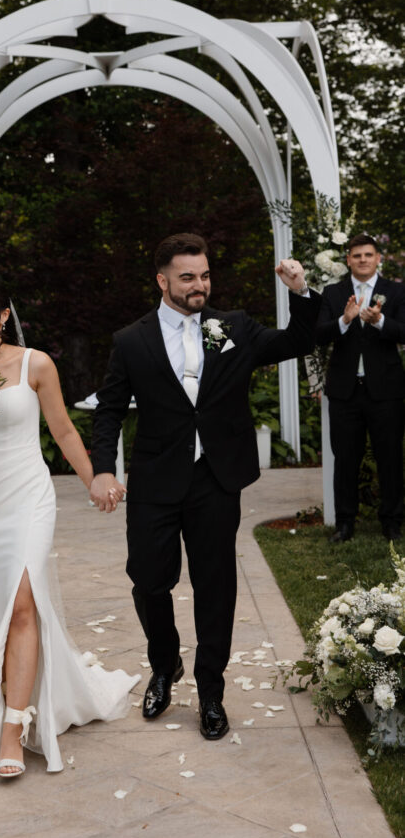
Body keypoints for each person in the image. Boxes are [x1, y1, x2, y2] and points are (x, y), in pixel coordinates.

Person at [90, 233, 320, 741]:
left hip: (216, 478)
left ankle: (211, 692)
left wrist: (300, 290)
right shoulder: (132, 340)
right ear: (162, 280)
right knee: (149, 579)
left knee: (215, 587)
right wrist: (102, 469)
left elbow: (298, 341)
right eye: (188, 276)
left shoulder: (232, 326)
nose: (200, 285)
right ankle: (165, 663)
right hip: (155, 479)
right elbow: (108, 410)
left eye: (205, 275)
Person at [0, 276, 139, 778]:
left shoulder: (35, 363)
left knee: (23, 601)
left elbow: (62, 429)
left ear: (1, 316)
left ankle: (12, 729)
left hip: (28, 496)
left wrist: (94, 479)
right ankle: (0, 685)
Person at [316, 233, 405, 542]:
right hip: (345, 391)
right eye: (357, 255)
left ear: (378, 258)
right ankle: (345, 523)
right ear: (348, 260)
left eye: (369, 255)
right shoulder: (333, 292)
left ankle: (391, 522)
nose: (363, 260)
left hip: (386, 391)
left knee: (390, 457)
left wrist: (381, 323)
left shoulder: (395, 291)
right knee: (345, 459)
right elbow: (319, 334)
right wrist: (344, 320)